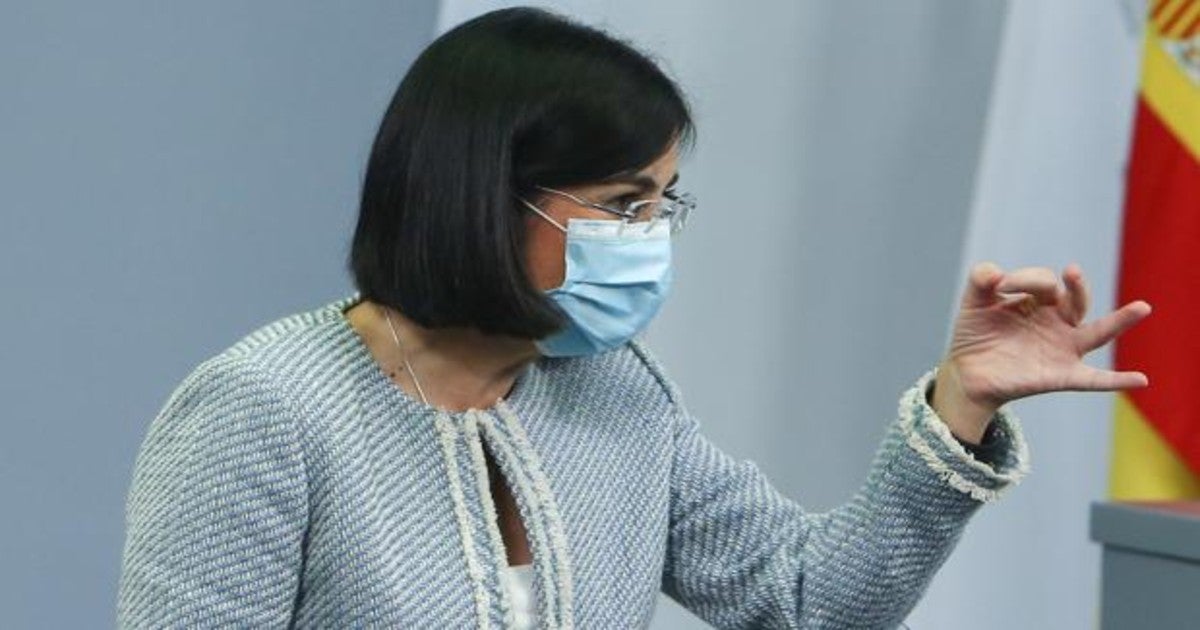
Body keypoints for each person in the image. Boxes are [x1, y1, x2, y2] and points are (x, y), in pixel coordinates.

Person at [116, 7, 1151, 629]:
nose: (653, 235)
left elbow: (808, 604)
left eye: (664, 203)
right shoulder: (263, 410)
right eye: (622, 207)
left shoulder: (616, 394)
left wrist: (959, 399)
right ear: (481, 194)